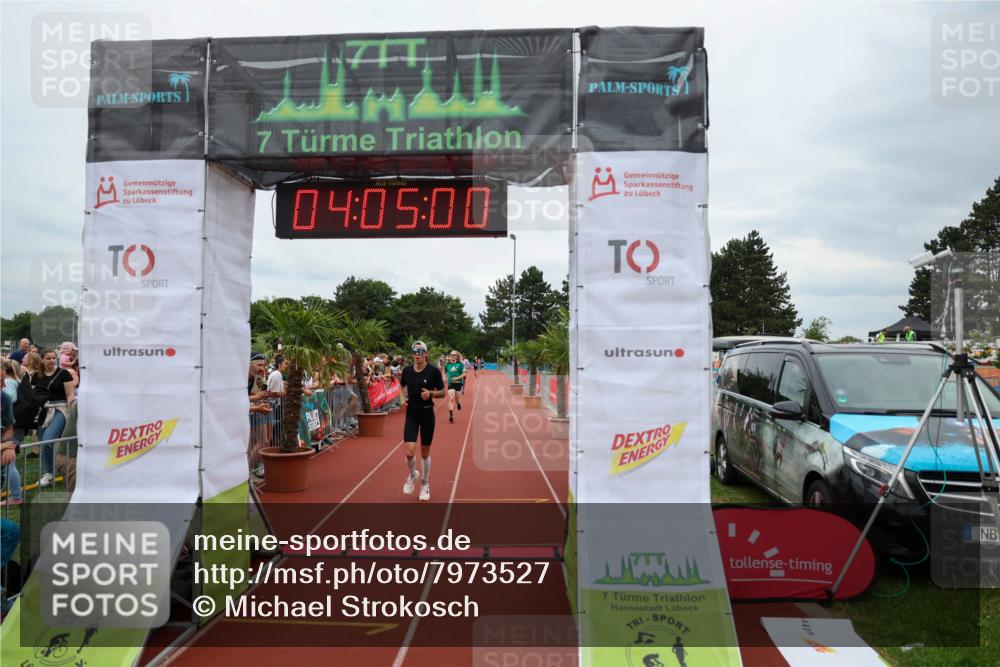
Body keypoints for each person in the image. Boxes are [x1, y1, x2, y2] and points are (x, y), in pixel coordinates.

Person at [399, 341, 444, 502]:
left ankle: (425, 483)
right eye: (414, 351)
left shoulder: (433, 372)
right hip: (411, 414)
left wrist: (431, 393)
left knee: (424, 453)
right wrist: (402, 398)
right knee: (409, 452)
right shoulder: (407, 371)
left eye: (420, 351)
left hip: (427, 415)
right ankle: (413, 475)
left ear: (426, 354)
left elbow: (443, 392)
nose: (416, 354)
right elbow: (401, 386)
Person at [34, 349, 76, 488]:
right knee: (43, 442)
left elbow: (70, 395)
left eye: (53, 358)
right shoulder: (36, 375)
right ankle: (49, 473)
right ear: (42, 360)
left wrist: (72, 413)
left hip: (61, 409)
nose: (52, 360)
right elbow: (34, 394)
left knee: (48, 440)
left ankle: (53, 473)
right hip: (43, 410)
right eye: (48, 358)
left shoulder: (63, 373)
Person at [1, 362, 23, 505]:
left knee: (8, 464)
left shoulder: (5, 397)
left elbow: (9, 427)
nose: (3, 385)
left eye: (4, 380)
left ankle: (16, 497)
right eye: (0, 381)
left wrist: (6, 445)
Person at [444, 350, 466, 423]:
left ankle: (458, 403)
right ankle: (451, 416)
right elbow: (444, 373)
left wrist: (457, 378)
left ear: (456, 357)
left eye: (454, 355)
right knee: (451, 398)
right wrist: (445, 377)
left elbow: (464, 374)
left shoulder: (460, 364)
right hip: (451, 384)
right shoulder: (447, 365)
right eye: (451, 355)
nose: (453, 356)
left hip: (458, 383)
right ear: (450, 356)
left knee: (456, 400)